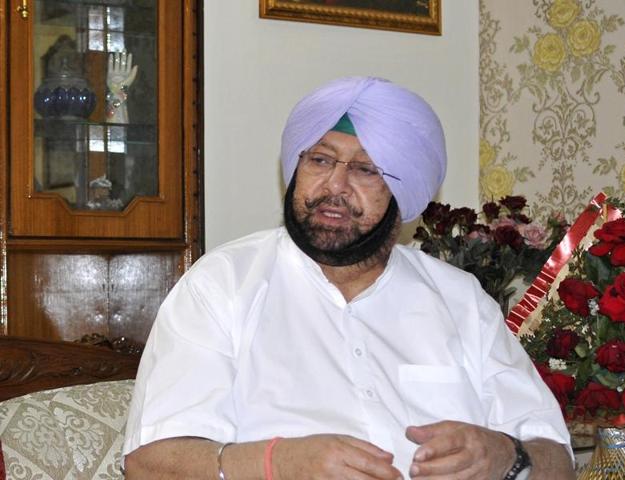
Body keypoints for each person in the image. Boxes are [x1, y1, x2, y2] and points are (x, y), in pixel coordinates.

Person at [123, 77, 575, 479]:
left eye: (364, 169)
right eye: (320, 160)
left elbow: (558, 460)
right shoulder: (223, 285)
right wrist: (276, 463)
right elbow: (150, 463)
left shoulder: (459, 299)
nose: (334, 185)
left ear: (406, 191)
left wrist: (505, 456)